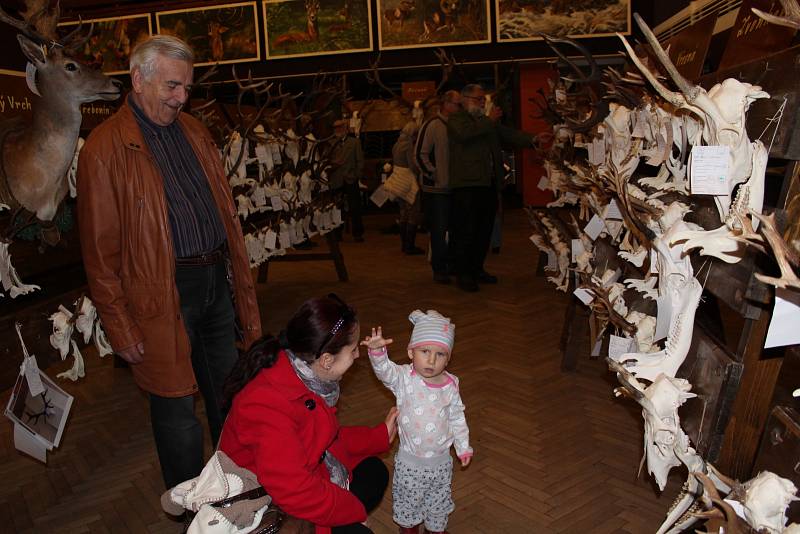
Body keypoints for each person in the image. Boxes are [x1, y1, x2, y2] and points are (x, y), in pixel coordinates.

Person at [77, 35, 262, 490]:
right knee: (176, 404)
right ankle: (187, 504)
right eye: (172, 86)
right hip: (161, 291)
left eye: (186, 88)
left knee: (230, 391)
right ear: (139, 79)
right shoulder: (104, 148)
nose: (182, 98)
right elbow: (99, 253)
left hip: (216, 280)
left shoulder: (195, 131)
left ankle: (234, 488)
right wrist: (119, 324)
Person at [219, 295, 397, 534]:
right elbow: (296, 491)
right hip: (267, 506)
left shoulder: (302, 373)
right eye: (353, 350)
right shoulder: (265, 404)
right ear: (326, 360)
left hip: (298, 479)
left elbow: (324, 438)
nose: (357, 356)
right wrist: (354, 513)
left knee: (373, 471)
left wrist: (379, 436)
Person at [362, 310, 472, 534]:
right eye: (425, 351)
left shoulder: (451, 385)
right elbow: (385, 372)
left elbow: (457, 417)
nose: (431, 360)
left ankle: (435, 531)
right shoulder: (404, 378)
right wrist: (377, 353)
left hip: (441, 463)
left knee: (438, 504)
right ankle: (409, 530)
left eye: (440, 354)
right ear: (411, 352)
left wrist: (463, 446)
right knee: (408, 505)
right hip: (411, 464)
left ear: (448, 358)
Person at [447, 83, 536, 292]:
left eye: (482, 99)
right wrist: (489, 120)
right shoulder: (457, 119)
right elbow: (465, 135)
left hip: (488, 184)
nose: (482, 102)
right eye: (479, 99)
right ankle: (464, 274)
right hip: (467, 186)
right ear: (466, 99)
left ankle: (477, 269)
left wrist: (533, 139)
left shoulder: (484, 121)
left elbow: (508, 134)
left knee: (484, 231)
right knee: (466, 231)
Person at [415, 90, 461, 284]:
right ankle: (439, 269)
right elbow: (420, 154)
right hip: (436, 190)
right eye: (458, 104)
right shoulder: (432, 125)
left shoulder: (457, 126)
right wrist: (434, 174)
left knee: (454, 229)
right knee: (439, 231)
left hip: (454, 188)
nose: (460, 108)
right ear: (447, 104)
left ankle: (450, 265)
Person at [390, 121, 424, 255]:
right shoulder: (408, 145)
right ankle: (410, 246)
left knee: (403, 212)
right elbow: (412, 166)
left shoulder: (396, 144)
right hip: (408, 182)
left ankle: (404, 245)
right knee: (413, 212)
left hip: (398, 181)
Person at [330, 119, 366, 242]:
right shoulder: (331, 143)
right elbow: (326, 160)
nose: (337, 130)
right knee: (336, 208)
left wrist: (356, 175)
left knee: (355, 207)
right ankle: (337, 232)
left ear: (346, 128)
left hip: (350, 179)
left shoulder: (354, 142)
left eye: (340, 127)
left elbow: (360, 161)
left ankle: (358, 233)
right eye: (335, 128)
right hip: (336, 180)